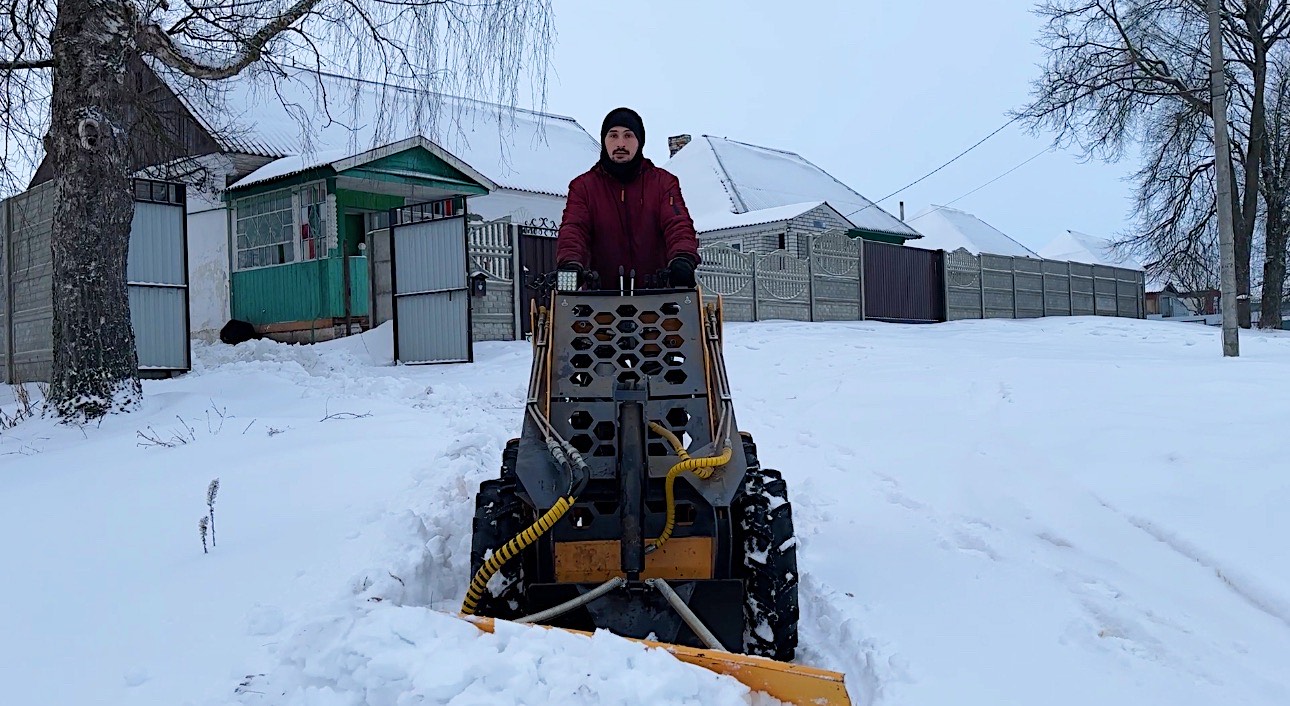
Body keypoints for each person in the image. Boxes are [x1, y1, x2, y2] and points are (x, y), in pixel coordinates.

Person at [556, 107, 701, 289]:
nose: (621, 144)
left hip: (657, 297)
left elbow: (677, 224)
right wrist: (570, 263)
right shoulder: (583, 187)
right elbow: (574, 229)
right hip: (599, 299)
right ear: (604, 140)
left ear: (639, 141)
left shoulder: (663, 184)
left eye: (628, 135)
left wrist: (682, 258)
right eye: (613, 135)